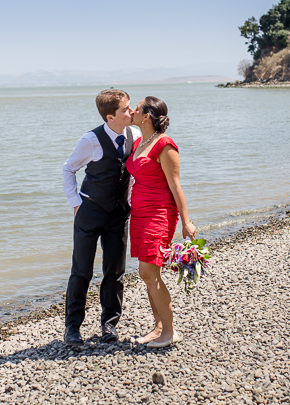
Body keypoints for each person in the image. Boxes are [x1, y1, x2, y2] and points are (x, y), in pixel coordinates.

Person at [62, 89, 140, 347]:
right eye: (126, 109)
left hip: (119, 214)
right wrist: (75, 203)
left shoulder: (134, 134)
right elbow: (68, 169)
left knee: (114, 271)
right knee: (81, 271)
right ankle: (72, 328)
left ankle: (109, 324)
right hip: (90, 212)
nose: (131, 112)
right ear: (110, 117)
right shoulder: (90, 140)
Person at [126, 96, 195, 348]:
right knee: (147, 274)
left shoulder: (165, 145)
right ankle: (158, 328)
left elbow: (176, 186)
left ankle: (170, 332)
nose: (132, 110)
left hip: (159, 214)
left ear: (146, 116)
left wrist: (186, 222)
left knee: (149, 272)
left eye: (137, 107)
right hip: (139, 214)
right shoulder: (140, 142)